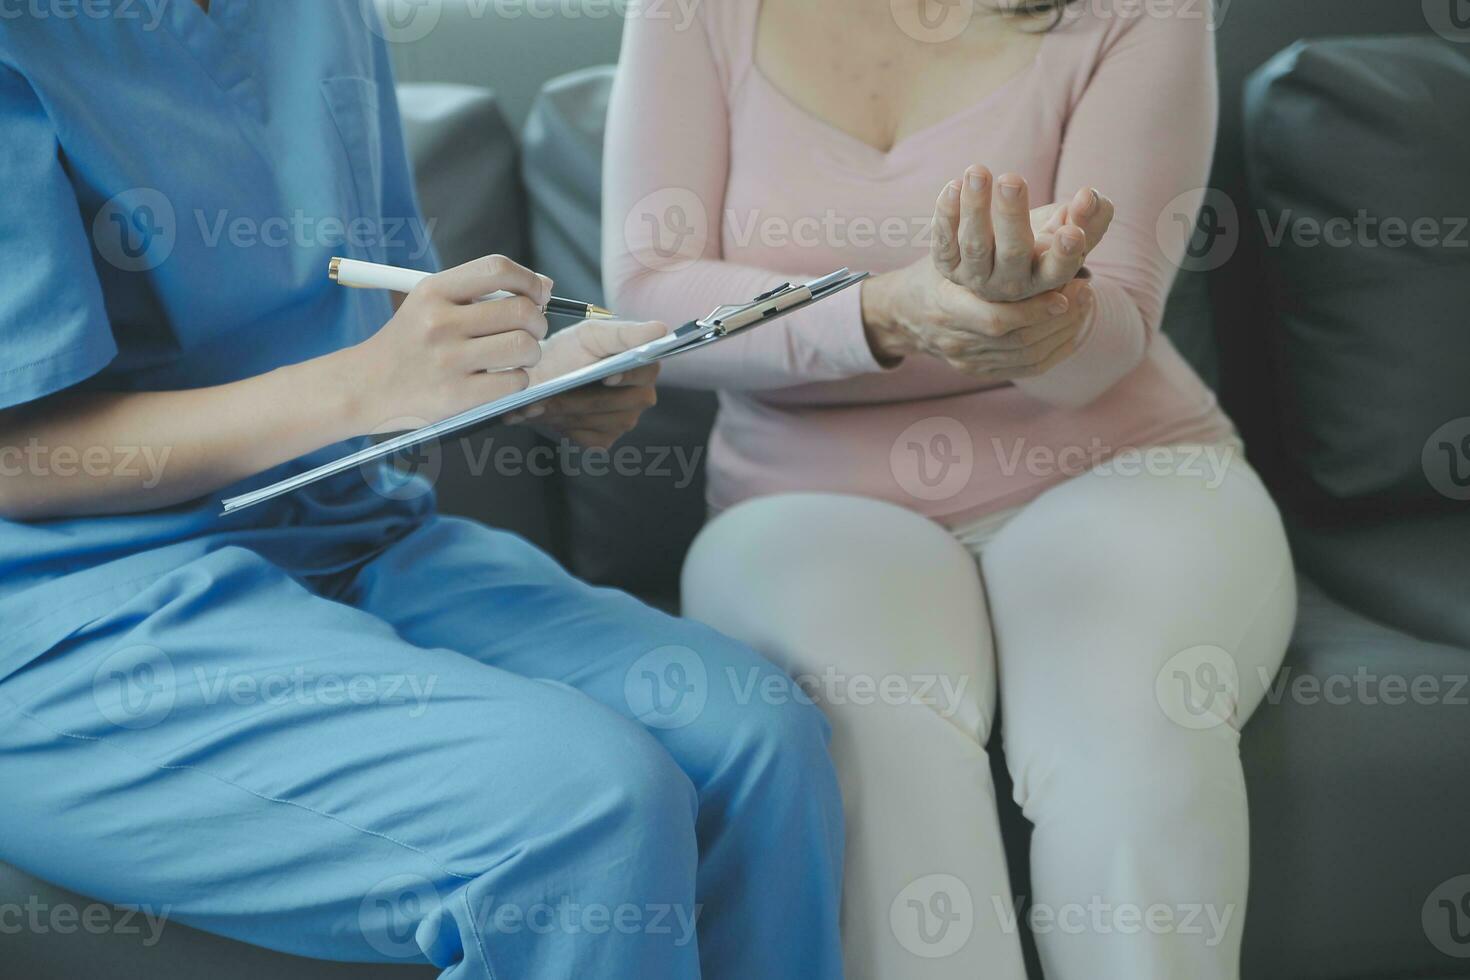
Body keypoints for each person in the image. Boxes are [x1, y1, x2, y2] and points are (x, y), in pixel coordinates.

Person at [0, 3, 843, 978]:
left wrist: (527, 376)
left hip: (351, 530)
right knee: (586, 807)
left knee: (756, 735)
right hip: (77, 607)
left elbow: (369, 318)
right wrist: (364, 384)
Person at [603, 0, 1294, 976]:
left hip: (1119, 460)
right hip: (803, 495)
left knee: (1133, 736)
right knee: (881, 756)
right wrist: (888, 310)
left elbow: (1117, 322)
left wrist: (1035, 320)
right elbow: (647, 291)